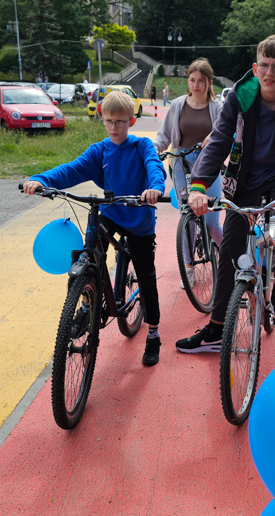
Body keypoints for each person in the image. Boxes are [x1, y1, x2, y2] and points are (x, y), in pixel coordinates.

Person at [175, 34, 275, 353]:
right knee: (230, 248)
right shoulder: (239, 96)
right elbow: (219, 140)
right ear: (255, 67)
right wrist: (199, 186)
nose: (270, 73)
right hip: (244, 180)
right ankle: (217, 328)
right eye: (264, 65)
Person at [23, 91, 166, 366]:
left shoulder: (142, 146)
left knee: (146, 273)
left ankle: (154, 333)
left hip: (139, 217)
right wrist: (40, 179)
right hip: (112, 212)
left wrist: (155, 190)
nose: (114, 127)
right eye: (109, 121)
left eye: (121, 122)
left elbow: (154, 168)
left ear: (131, 122)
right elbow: (72, 170)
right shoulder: (100, 150)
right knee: (90, 245)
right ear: (102, 120)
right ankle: (87, 299)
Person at [153, 58, 224, 288]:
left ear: (209, 83)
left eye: (200, 81)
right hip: (182, 163)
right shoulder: (178, 105)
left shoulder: (217, 107)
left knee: (212, 223)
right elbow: (164, 137)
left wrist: (212, 137)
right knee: (188, 219)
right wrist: (154, 150)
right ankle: (189, 267)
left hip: (209, 165)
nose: (195, 85)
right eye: (192, 80)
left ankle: (231, 261)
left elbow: (226, 132)